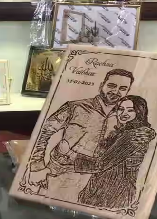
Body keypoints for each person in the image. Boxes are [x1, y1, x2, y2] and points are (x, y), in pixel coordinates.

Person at [23, 69, 135, 198]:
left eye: (123, 88)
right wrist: (36, 166)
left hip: (97, 181)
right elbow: (42, 133)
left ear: (128, 91)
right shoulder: (75, 107)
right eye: (111, 85)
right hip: (61, 175)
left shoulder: (125, 117)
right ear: (101, 85)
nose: (116, 91)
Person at [66, 96, 157, 210]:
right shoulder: (123, 132)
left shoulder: (132, 136)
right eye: (121, 109)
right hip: (104, 189)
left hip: (114, 193)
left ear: (139, 112)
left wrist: (70, 154)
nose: (123, 113)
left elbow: (101, 164)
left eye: (130, 110)